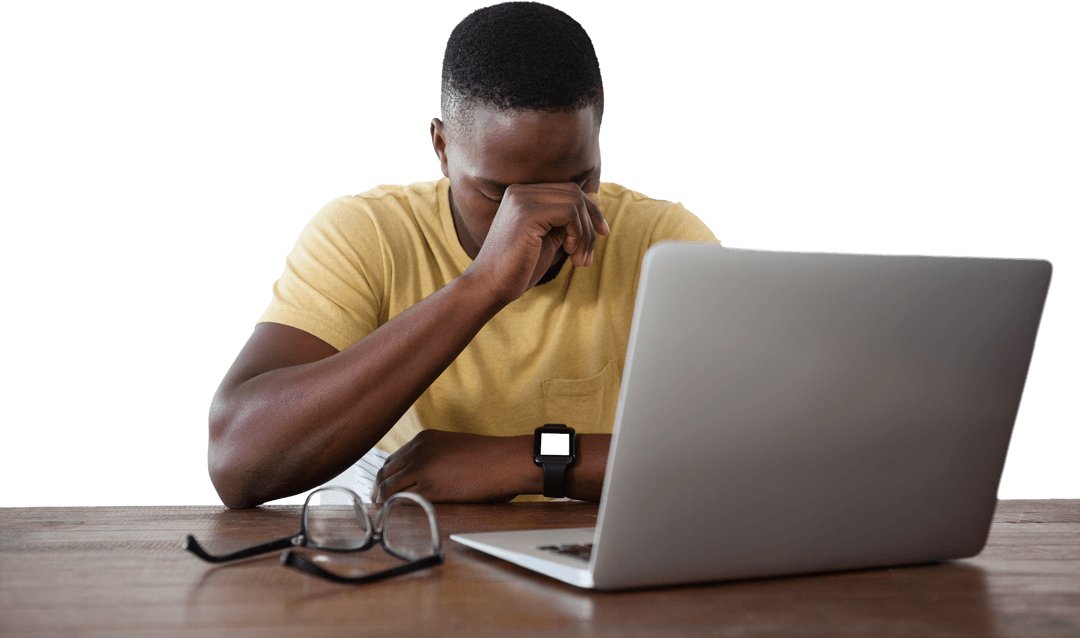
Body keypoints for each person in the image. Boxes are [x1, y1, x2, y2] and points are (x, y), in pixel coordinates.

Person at [207, 1, 718, 509]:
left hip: (588, 553)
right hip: (419, 551)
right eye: (499, 194)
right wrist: (482, 286)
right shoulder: (367, 233)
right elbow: (238, 461)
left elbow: (746, 451)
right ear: (441, 146)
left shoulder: (664, 242)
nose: (546, 219)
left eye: (577, 183)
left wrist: (523, 462)